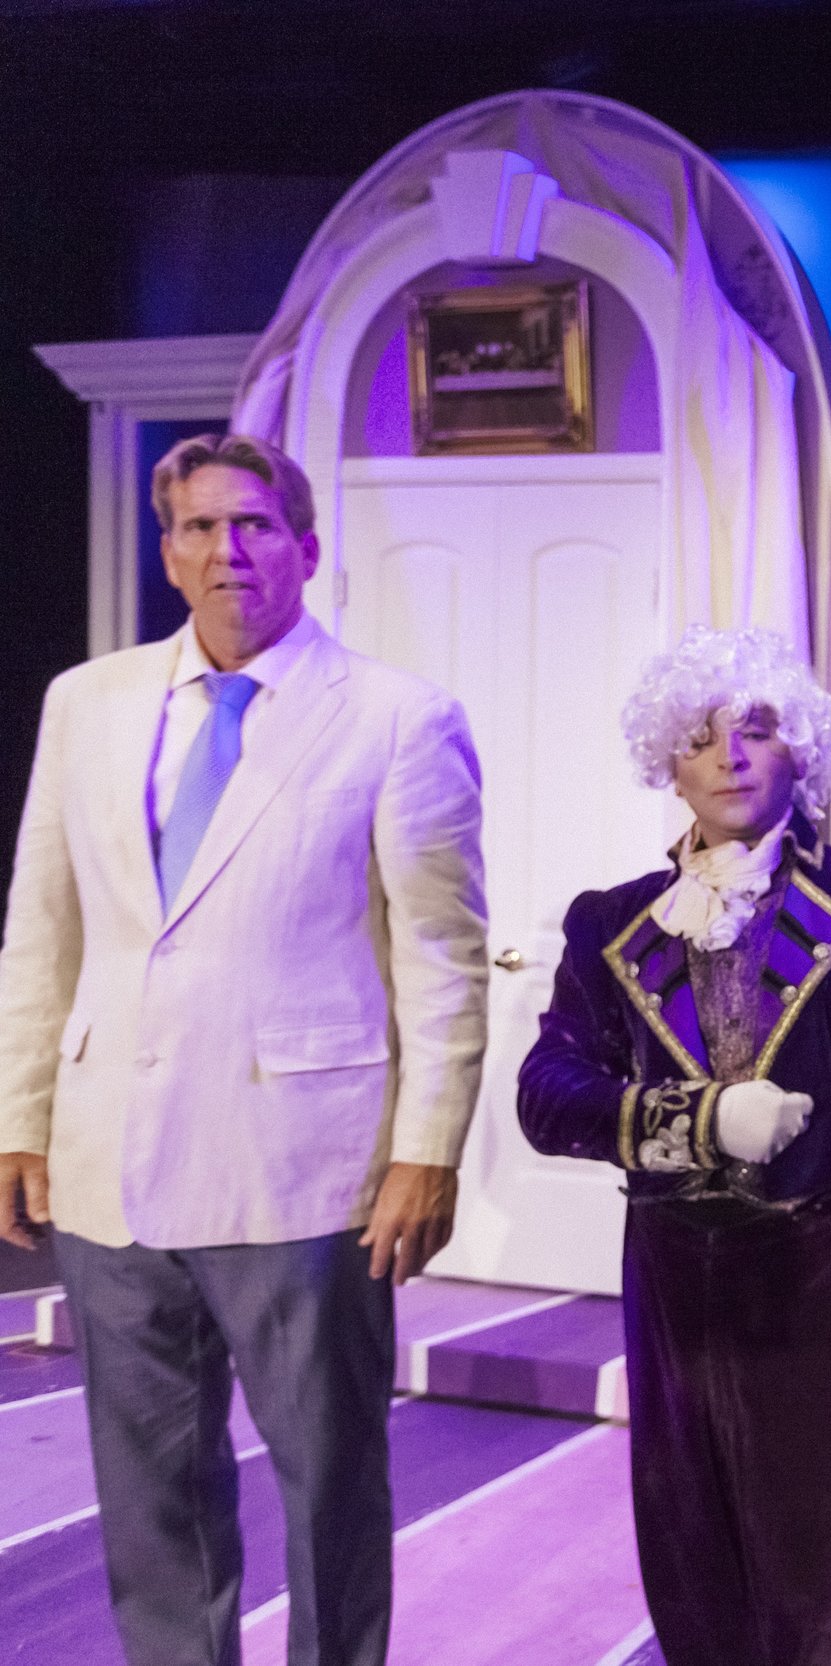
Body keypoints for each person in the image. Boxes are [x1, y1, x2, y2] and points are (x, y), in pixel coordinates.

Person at [0, 434, 488, 1666]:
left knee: (329, 1483)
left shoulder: (397, 716)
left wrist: (427, 1150)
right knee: (150, 1498)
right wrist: (19, 1116)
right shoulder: (86, 703)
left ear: (306, 549)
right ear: (169, 553)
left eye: (257, 525)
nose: (230, 551)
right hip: (110, 1163)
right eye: (202, 528)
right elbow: (42, 930)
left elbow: (441, 953)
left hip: (305, 1169)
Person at [514, 625, 831, 1666]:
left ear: (798, 746)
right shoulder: (608, 922)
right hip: (675, 1275)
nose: (728, 756)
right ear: (666, 762)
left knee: (827, 1574)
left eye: (756, 729)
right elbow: (547, 1095)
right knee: (693, 1565)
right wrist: (699, 1122)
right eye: (699, 737)